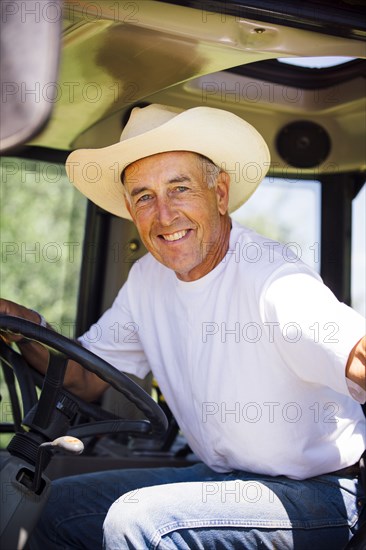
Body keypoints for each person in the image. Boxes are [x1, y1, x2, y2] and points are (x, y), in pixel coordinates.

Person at [1, 104, 365, 549]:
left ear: (220, 193)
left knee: (140, 522)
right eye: (144, 196)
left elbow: (356, 353)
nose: (165, 215)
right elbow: (82, 379)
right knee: (51, 504)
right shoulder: (146, 282)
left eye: (179, 188)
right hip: (223, 477)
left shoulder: (271, 277)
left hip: (322, 493)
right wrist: (27, 325)